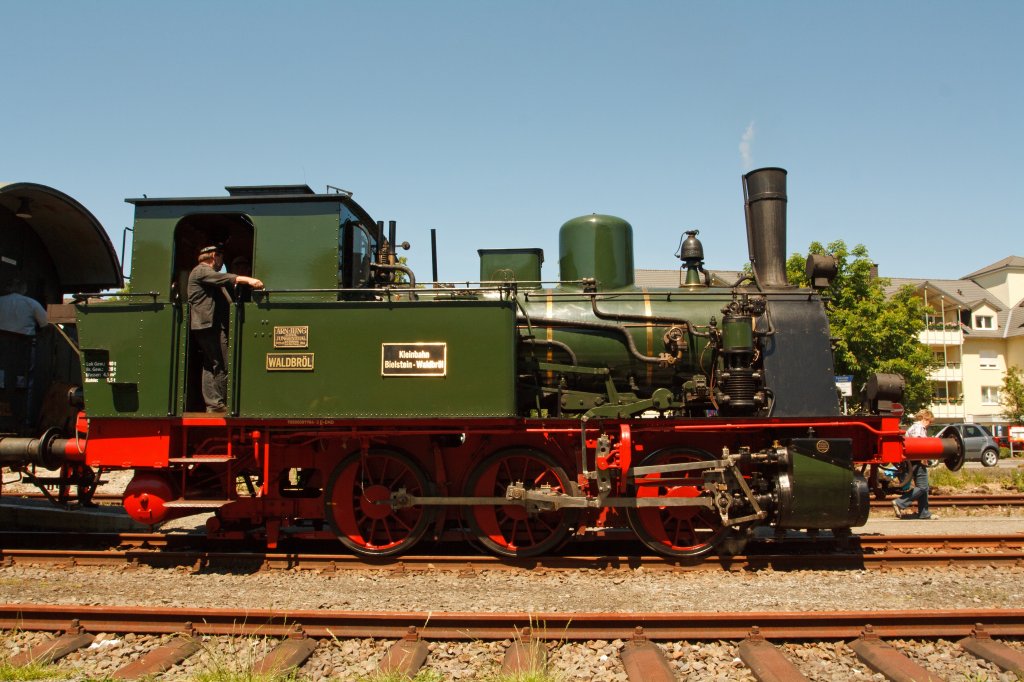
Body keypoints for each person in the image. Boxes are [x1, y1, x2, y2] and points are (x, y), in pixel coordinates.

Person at [187, 245, 264, 412]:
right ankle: (219, 404)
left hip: (206, 324)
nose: (222, 263)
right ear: (214, 256)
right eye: (221, 258)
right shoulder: (202, 271)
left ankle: (213, 403)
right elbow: (224, 278)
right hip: (208, 325)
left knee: (211, 363)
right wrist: (249, 279)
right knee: (221, 363)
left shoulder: (203, 273)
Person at [893, 409, 938, 520]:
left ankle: (924, 513)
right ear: (925, 418)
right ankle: (900, 502)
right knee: (923, 487)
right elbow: (919, 444)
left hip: (913, 460)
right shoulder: (919, 428)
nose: (930, 424)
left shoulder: (914, 427)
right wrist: (924, 458)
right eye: (930, 421)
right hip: (917, 460)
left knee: (923, 487)